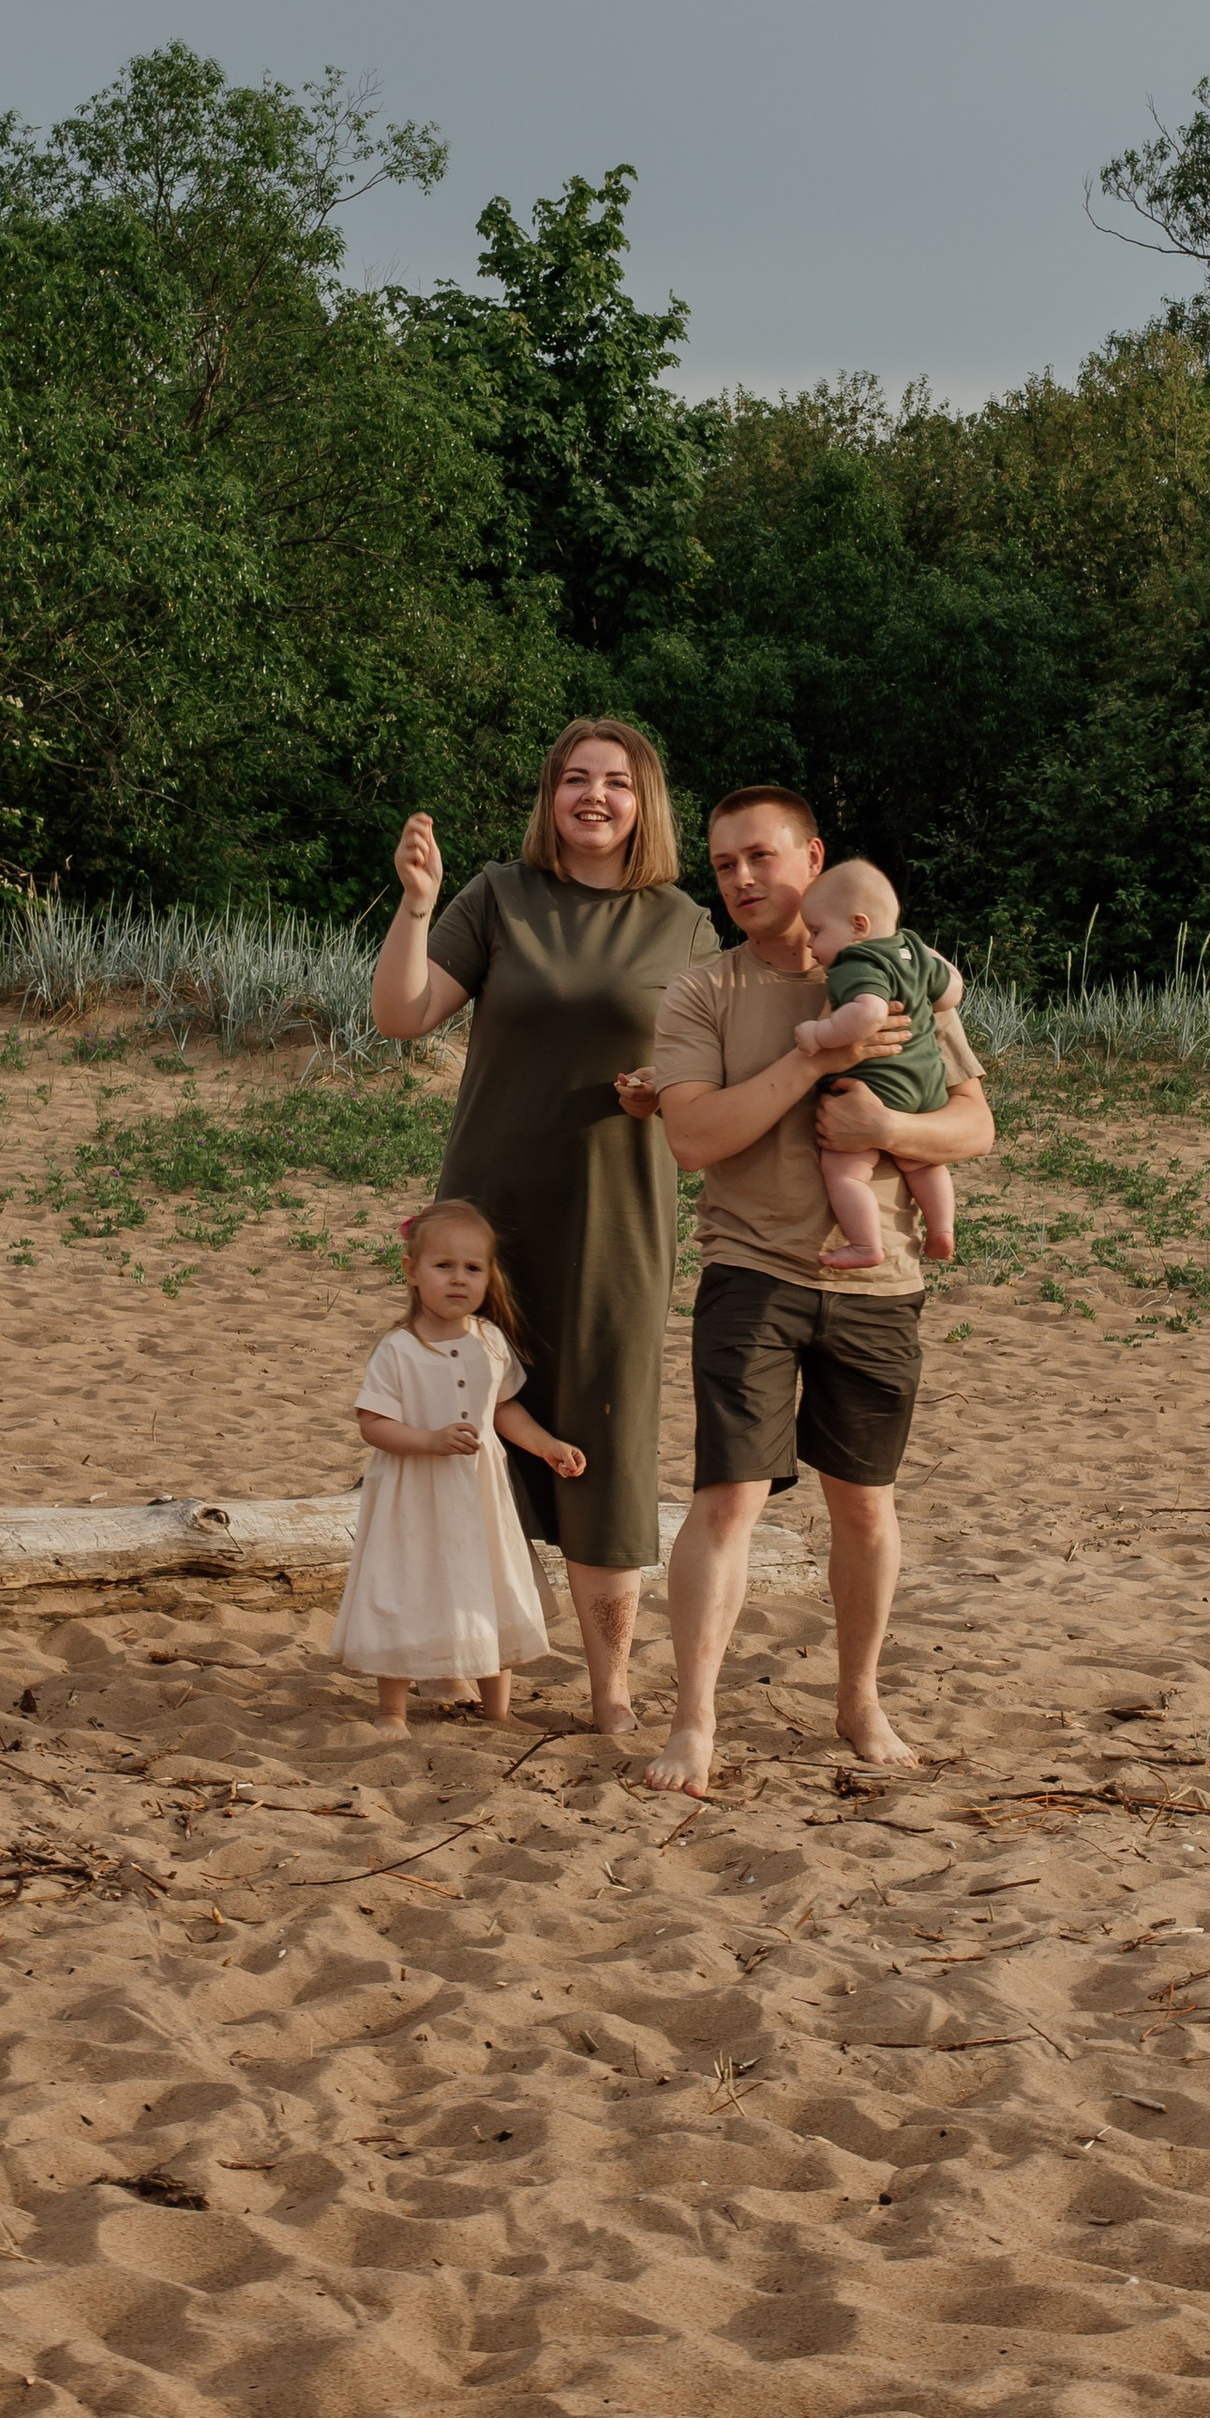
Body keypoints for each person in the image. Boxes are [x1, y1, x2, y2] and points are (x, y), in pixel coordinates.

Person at [368, 722, 719, 1736]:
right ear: (549, 797)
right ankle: (460, 1658)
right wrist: (417, 907)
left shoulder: (683, 922)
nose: (594, 796)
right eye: (575, 779)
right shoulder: (498, 896)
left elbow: (715, 1064)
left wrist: (668, 1086)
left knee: (603, 1437)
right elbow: (402, 1015)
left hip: (617, 1213)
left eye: (615, 782)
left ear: (645, 803)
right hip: (488, 1214)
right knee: (464, 1428)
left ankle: (610, 1688)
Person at [643, 786, 995, 1797]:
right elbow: (694, 1139)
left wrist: (886, 1133)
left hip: (879, 1280)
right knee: (726, 1500)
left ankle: (858, 1701)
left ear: (813, 860)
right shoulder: (701, 991)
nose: (742, 880)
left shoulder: (899, 969)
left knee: (867, 1509)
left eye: (760, 857)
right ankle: (695, 1721)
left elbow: (975, 1126)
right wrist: (821, 1066)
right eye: (721, 866)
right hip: (749, 1272)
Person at [331, 1200, 582, 1731]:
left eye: (473, 1268)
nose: (458, 1279)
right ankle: (391, 1711)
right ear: (412, 1271)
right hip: (414, 1496)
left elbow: (504, 1407)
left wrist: (545, 1445)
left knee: (489, 1584)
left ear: (489, 1276)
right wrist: (429, 1439)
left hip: (479, 1496)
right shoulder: (399, 1349)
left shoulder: (489, 1341)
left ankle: (499, 1711)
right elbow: (372, 1423)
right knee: (405, 1586)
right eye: (443, 1266)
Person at [792, 858, 962, 1270]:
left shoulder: (856, 962)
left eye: (816, 932)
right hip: (927, 1084)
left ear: (859, 926)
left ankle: (866, 1244)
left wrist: (819, 1035)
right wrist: (929, 956)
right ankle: (941, 1229)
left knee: (844, 1171)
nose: (810, 944)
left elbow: (868, 1015)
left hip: (881, 1084)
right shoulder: (911, 950)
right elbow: (952, 991)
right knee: (922, 1160)